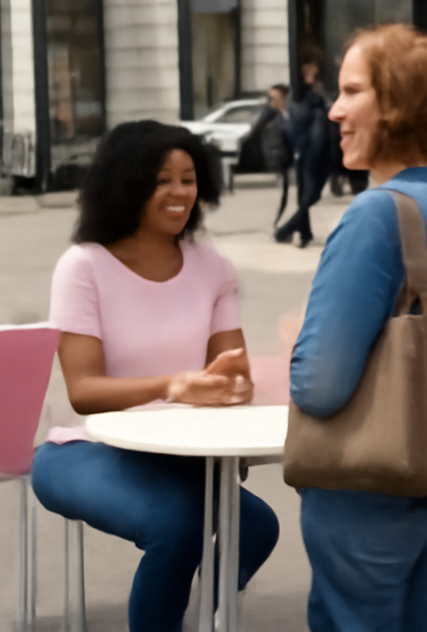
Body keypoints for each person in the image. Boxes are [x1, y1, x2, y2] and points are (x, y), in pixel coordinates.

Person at [287, 24, 427, 632]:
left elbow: (319, 385)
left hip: (372, 488)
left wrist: (300, 344)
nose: (334, 109)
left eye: (352, 91)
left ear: (397, 104)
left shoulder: (376, 215)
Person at [30, 120, 280, 632]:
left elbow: (232, 378)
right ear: (127, 185)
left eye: (188, 178)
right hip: (88, 451)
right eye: (161, 179)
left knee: (256, 527)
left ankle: (197, 619)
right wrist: (173, 385)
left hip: (178, 457)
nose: (179, 192)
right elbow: (84, 392)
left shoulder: (213, 269)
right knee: (178, 526)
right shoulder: (83, 267)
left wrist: (233, 385)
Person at [275, 61, 329, 248]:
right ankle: (302, 232)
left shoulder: (314, 97)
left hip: (313, 153)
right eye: (308, 71)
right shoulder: (301, 98)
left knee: (310, 195)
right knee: (306, 195)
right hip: (307, 153)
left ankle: (290, 229)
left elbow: (320, 129)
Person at [251, 83, 293, 226]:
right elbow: (256, 130)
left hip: (293, 162)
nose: (270, 102)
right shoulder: (272, 117)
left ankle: (284, 226)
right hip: (280, 162)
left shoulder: (291, 115)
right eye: (269, 98)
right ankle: (281, 225)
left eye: (273, 98)